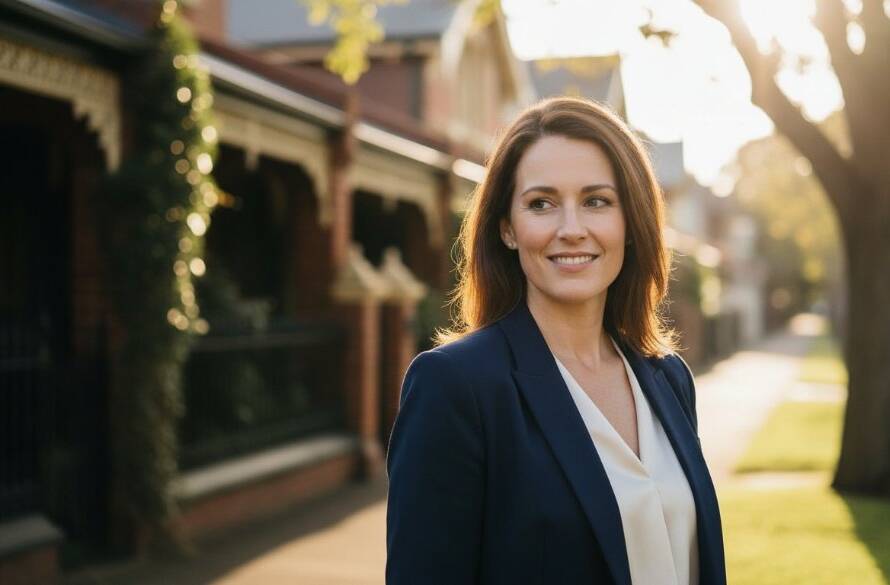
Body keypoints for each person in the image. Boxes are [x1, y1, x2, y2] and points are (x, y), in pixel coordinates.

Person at [385, 97, 726, 585]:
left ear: (630, 223)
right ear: (507, 227)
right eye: (541, 204)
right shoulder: (455, 387)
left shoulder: (667, 378)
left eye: (596, 201)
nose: (571, 230)